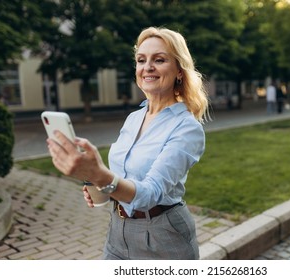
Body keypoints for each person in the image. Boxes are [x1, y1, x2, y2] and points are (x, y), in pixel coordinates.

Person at [46, 27, 210, 260]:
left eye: (159, 60)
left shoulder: (187, 128)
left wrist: (101, 175)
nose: (147, 67)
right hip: (117, 230)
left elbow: (150, 193)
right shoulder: (134, 118)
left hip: (163, 235)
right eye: (141, 60)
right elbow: (122, 175)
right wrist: (100, 188)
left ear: (179, 71)